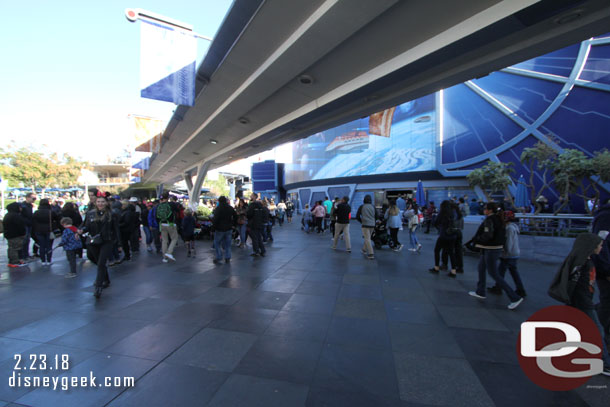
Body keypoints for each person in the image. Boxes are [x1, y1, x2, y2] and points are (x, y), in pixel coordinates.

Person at [564, 233, 610, 376]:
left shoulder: (584, 262)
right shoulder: (584, 264)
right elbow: (576, 284)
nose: (602, 248)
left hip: (582, 301)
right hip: (583, 301)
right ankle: (604, 363)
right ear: (591, 247)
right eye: (600, 245)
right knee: (597, 330)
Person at [468, 203, 524, 310]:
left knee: (493, 273)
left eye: (485, 209)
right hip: (492, 248)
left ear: (489, 210)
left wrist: (477, 239)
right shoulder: (499, 219)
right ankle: (480, 291)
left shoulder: (490, 220)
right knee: (481, 268)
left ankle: (514, 297)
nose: (483, 210)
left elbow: (488, 235)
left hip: (491, 249)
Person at [80, 196, 120, 298]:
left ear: (106, 203)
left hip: (107, 241)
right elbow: (86, 226)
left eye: (102, 201)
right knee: (95, 260)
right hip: (93, 241)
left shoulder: (112, 214)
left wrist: (118, 244)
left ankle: (98, 286)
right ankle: (105, 278)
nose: (100, 204)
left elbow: (116, 229)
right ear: (95, 203)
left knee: (101, 263)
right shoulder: (90, 214)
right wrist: (81, 231)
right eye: (98, 202)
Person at [488, 211, 526, 297]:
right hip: (514, 253)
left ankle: (499, 288)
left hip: (509, 254)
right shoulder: (513, 227)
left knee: (500, 272)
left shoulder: (509, 229)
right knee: (513, 272)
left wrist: (504, 252)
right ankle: (520, 289)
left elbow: (508, 243)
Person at [592, 198, 610, 345]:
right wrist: (606, 271)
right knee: (607, 303)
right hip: (606, 271)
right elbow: (599, 244)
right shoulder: (605, 216)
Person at [429, 200, 458, 277]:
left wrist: (440, 228)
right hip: (453, 235)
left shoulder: (442, 213)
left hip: (444, 235)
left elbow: (435, 223)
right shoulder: (453, 213)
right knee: (451, 252)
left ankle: (436, 267)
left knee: (437, 250)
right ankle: (453, 270)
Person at [32, 198, 60, 266]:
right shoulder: (51, 212)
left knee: (42, 246)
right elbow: (57, 219)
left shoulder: (36, 212)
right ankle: (49, 260)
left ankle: (43, 260)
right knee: (49, 246)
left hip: (39, 230)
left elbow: (33, 222)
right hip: (49, 230)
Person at [212, 196, 237, 264]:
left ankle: (219, 257)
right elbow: (235, 216)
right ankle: (227, 257)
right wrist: (233, 224)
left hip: (220, 229)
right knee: (227, 244)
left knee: (217, 243)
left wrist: (213, 228)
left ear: (219, 201)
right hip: (229, 228)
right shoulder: (230, 207)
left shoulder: (218, 208)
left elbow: (215, 219)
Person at [3, 202, 27, 268]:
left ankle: (15, 261)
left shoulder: (8, 215)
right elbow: (20, 226)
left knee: (12, 248)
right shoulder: (15, 216)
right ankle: (14, 262)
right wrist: (23, 233)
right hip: (15, 235)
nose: (21, 208)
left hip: (10, 234)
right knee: (15, 248)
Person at [157, 193, 178, 262]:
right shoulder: (171, 204)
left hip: (162, 224)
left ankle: (164, 257)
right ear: (167, 198)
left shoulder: (159, 205)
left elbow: (156, 216)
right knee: (174, 238)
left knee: (164, 240)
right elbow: (177, 211)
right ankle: (169, 252)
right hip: (170, 224)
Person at [356, 195, 376, 260]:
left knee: (367, 238)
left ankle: (371, 253)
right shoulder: (373, 207)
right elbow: (377, 215)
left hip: (365, 224)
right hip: (372, 224)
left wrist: (361, 221)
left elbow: (357, 216)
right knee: (368, 237)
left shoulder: (362, 207)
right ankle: (364, 249)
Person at [19, 192, 36, 260]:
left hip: (29, 224)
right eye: (33, 198)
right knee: (24, 240)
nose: (34, 200)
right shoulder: (23, 206)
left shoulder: (29, 205)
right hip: (25, 225)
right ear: (28, 198)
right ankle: (24, 255)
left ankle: (26, 254)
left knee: (27, 240)